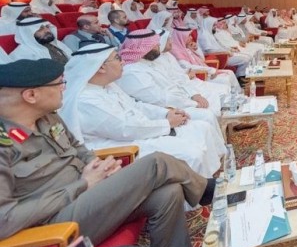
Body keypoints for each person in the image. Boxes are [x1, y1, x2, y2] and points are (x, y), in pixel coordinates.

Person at [0, 58, 216, 247]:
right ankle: (208, 189)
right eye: (58, 84)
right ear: (31, 95)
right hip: (55, 222)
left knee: (169, 193)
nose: (63, 88)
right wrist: (83, 184)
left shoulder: (48, 117)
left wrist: (97, 165)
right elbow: (5, 219)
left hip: (89, 195)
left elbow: (77, 147)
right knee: (156, 163)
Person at [61, 43, 224, 177]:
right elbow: (124, 128)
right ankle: (199, 201)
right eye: (117, 58)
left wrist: (166, 113)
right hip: (121, 147)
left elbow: (136, 105)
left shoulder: (107, 86)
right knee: (191, 153)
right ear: (101, 67)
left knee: (201, 128)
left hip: (141, 131)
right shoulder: (85, 100)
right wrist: (167, 123)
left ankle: (215, 176)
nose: (123, 62)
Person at [115, 29, 224, 135]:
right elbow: (159, 99)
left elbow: (175, 82)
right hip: (165, 109)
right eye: (155, 44)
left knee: (213, 102)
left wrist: (194, 96)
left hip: (178, 101)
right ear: (143, 48)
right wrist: (193, 103)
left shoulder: (150, 62)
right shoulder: (132, 72)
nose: (159, 45)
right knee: (207, 115)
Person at [170, 26, 241, 90]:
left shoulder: (186, 47)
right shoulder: (177, 51)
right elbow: (189, 67)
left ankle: (238, 95)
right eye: (188, 36)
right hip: (198, 77)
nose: (191, 38)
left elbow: (202, 60)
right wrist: (211, 70)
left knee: (230, 72)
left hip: (204, 72)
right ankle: (233, 97)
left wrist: (196, 49)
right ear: (181, 37)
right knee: (226, 79)